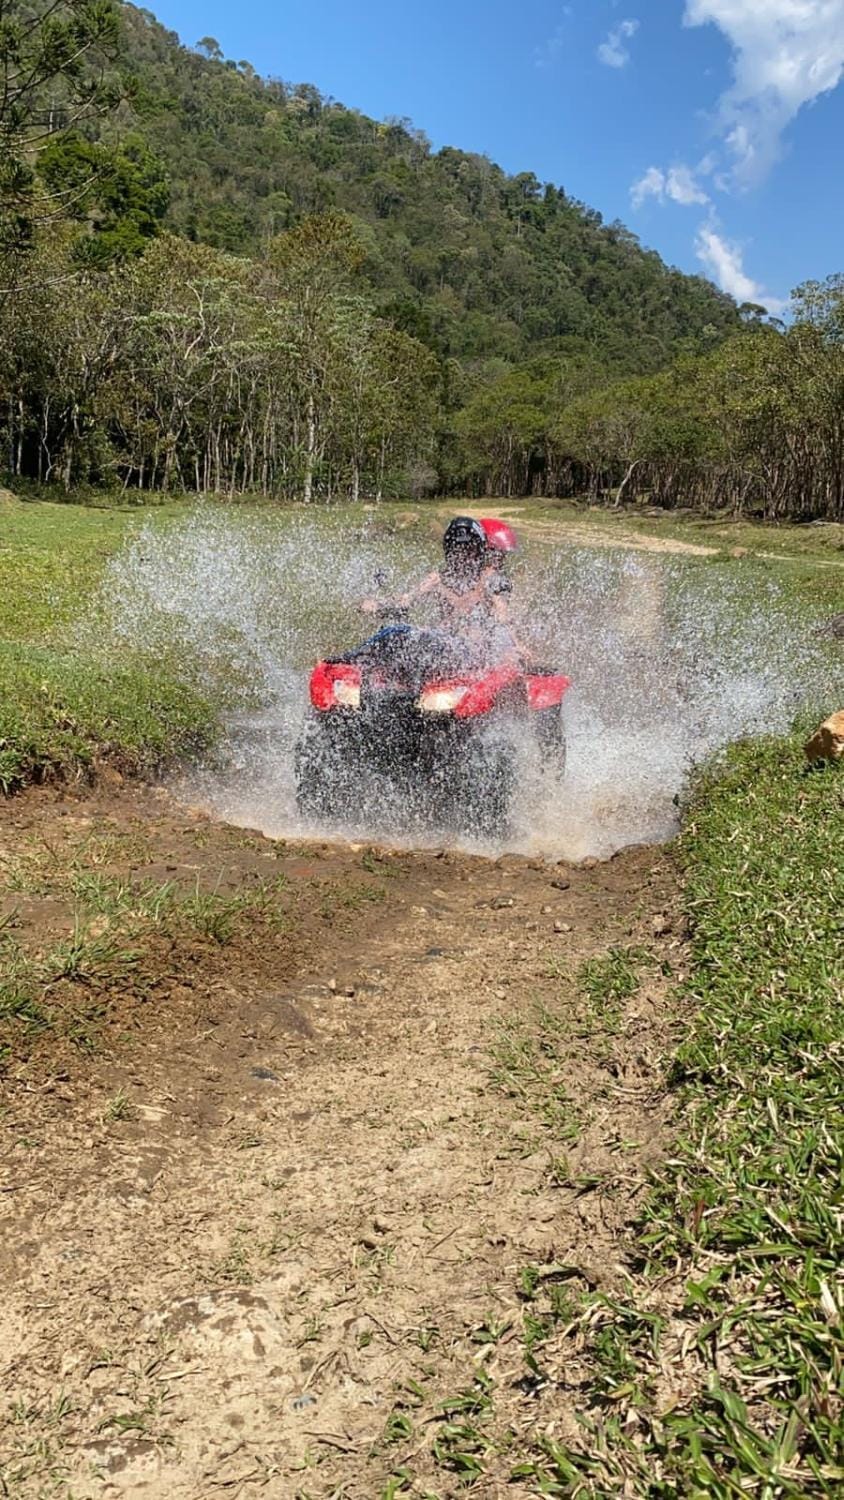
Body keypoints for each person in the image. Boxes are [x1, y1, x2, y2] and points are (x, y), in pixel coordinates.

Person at [362, 515, 527, 660]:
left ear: (479, 553)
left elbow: (502, 616)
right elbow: (407, 599)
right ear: (449, 552)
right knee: (400, 636)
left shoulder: (486, 580)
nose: (463, 557)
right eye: (457, 551)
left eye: (470, 551)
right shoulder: (437, 579)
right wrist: (377, 605)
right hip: (445, 646)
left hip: (478, 652)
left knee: (503, 653)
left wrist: (517, 645)